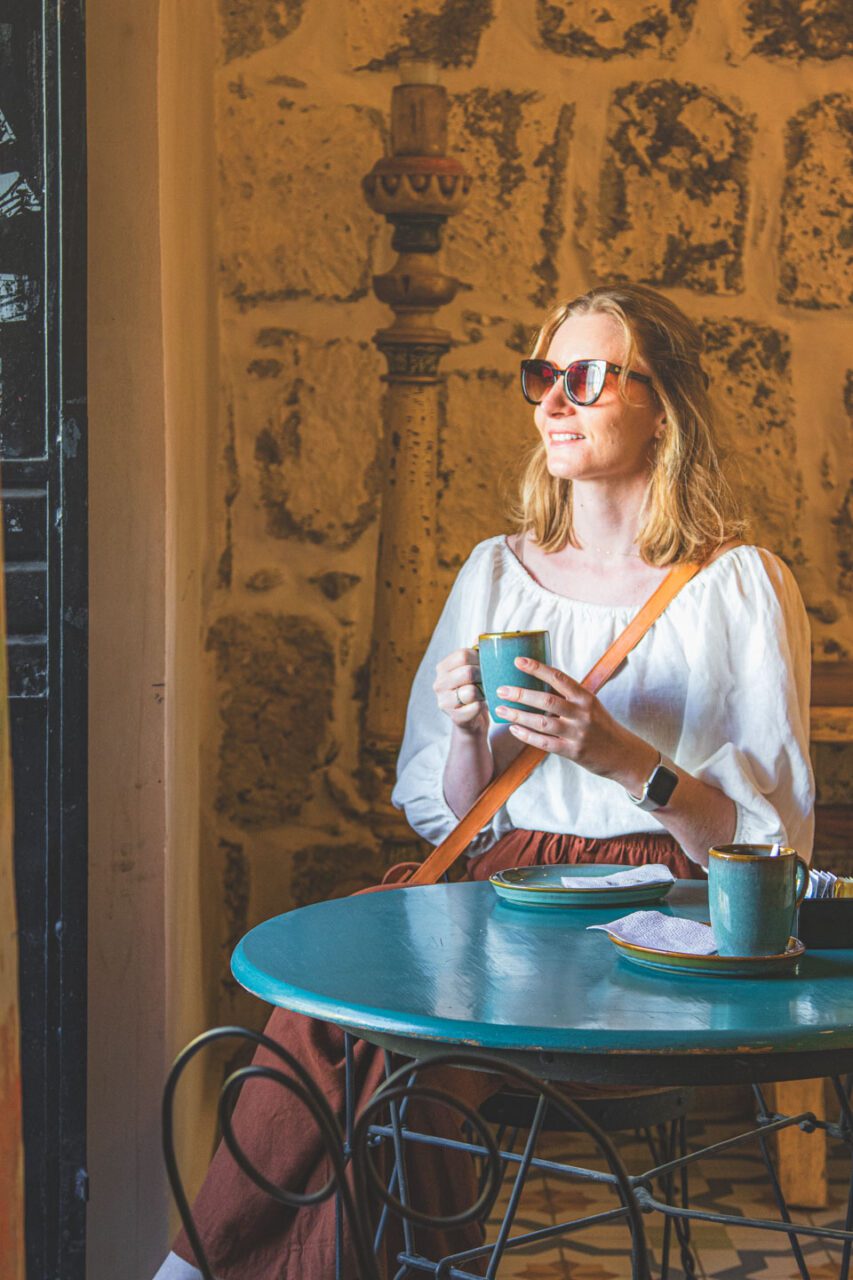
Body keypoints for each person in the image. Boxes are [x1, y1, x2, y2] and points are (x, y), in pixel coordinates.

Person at [155, 283, 814, 1280]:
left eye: (587, 377)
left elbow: (767, 842)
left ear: (662, 406)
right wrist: (467, 726)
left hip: (657, 903)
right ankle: (242, 1264)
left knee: (393, 1057)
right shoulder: (495, 572)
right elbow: (448, 808)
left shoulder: (737, 584)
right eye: (541, 375)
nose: (553, 400)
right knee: (340, 1017)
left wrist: (622, 759)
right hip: (498, 879)